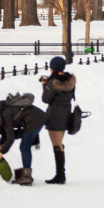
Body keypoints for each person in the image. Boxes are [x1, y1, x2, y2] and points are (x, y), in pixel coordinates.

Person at [0, 92, 47, 186]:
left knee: (24, 147)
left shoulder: (4, 114)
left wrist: (2, 151)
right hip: (34, 118)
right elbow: (6, 134)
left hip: (36, 119)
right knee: (24, 146)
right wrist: (0, 144)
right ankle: (26, 174)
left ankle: (26, 177)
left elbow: (11, 137)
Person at [40, 56, 76, 184]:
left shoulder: (52, 82)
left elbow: (45, 99)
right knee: (59, 144)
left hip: (54, 117)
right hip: (66, 115)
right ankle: (60, 174)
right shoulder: (70, 81)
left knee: (57, 146)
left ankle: (60, 175)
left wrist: (45, 86)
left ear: (53, 68)